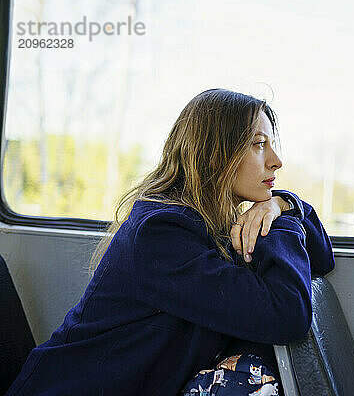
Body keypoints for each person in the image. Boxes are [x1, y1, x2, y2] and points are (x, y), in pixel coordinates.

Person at [7, 89, 335, 395]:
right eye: (259, 144)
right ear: (215, 153)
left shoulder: (220, 226)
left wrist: (282, 205)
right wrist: (282, 219)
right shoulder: (159, 234)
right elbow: (286, 315)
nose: (276, 160)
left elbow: (322, 257)